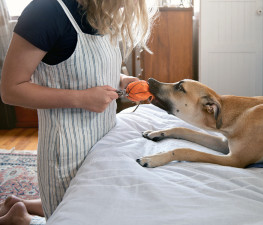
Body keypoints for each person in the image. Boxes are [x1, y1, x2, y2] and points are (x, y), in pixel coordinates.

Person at [0, 0, 157, 224]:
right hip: (66, 152)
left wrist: (122, 80)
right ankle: (20, 218)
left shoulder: (103, 14)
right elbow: (10, 90)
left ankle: (23, 206)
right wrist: (81, 99)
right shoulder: (45, 12)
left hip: (104, 142)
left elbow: (93, 71)